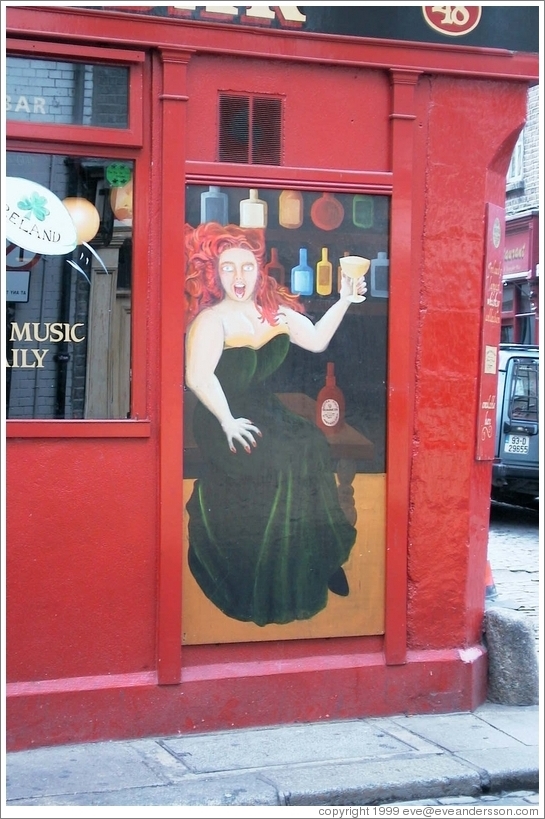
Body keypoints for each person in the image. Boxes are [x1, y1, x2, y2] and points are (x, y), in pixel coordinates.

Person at [184, 221, 367, 626]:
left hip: (264, 410)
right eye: (228, 267)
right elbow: (197, 377)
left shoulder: (275, 313)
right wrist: (229, 420)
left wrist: (345, 300)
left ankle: (317, 559)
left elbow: (317, 340)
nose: (238, 277)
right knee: (279, 465)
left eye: (246, 267)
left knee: (312, 446)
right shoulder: (211, 321)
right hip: (220, 417)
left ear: (259, 270)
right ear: (214, 272)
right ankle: (270, 576)